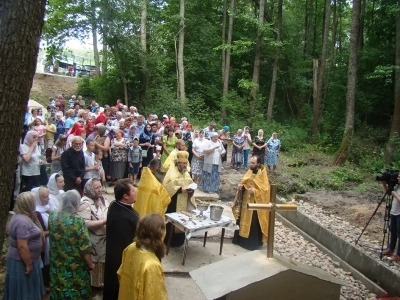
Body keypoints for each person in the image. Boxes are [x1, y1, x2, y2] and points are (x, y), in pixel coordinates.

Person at [49, 190, 94, 299]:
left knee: (58, 288)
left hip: (57, 264)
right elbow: (84, 247)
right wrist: (90, 263)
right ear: (75, 203)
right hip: (75, 267)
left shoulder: (52, 217)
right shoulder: (77, 221)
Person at [3, 192, 46, 300]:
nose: (35, 203)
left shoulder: (26, 216)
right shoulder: (22, 221)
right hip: (21, 262)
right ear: (27, 203)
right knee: (24, 292)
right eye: (33, 201)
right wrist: (28, 264)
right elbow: (22, 246)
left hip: (31, 260)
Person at [103, 179, 139, 300]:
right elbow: (125, 244)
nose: (136, 192)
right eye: (133, 190)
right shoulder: (124, 219)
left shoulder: (115, 204)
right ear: (125, 196)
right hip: (120, 260)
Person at [117, 214, 168, 300]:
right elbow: (155, 295)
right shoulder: (152, 265)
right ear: (159, 235)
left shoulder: (130, 247)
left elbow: (120, 274)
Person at [232, 156, 270, 250]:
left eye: (253, 163)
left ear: (258, 164)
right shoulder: (250, 171)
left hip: (255, 203)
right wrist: (241, 186)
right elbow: (245, 181)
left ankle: (251, 243)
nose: (251, 165)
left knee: (253, 222)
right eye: (250, 162)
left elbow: (265, 190)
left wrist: (255, 191)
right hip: (246, 200)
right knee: (242, 220)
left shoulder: (262, 174)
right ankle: (240, 240)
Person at [78, 178, 109, 288]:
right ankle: (93, 287)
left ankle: (100, 283)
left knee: (102, 263)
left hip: (103, 240)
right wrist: (104, 222)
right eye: (96, 187)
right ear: (90, 189)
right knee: (95, 263)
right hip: (93, 240)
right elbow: (84, 223)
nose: (99, 189)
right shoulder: (85, 203)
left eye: (100, 186)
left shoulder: (102, 199)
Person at [163, 151, 195, 247]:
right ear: (178, 163)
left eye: (186, 163)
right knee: (172, 221)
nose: (185, 165)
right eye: (183, 163)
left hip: (184, 201)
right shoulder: (171, 173)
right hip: (174, 202)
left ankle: (180, 240)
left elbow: (190, 182)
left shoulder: (186, 173)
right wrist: (180, 189)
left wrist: (191, 189)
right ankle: (169, 241)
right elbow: (166, 186)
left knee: (183, 219)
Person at [32, 187, 50, 288]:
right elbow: (39, 232)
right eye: (45, 197)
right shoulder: (36, 214)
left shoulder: (46, 208)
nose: (48, 199)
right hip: (42, 245)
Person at [382, 176, 400, 261]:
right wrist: (384, 183)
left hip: (399, 214)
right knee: (393, 231)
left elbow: (396, 196)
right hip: (394, 212)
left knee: (399, 234)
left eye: (399, 177)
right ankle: (391, 249)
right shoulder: (397, 186)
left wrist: (395, 195)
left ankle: (398, 254)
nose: (397, 178)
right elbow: (388, 192)